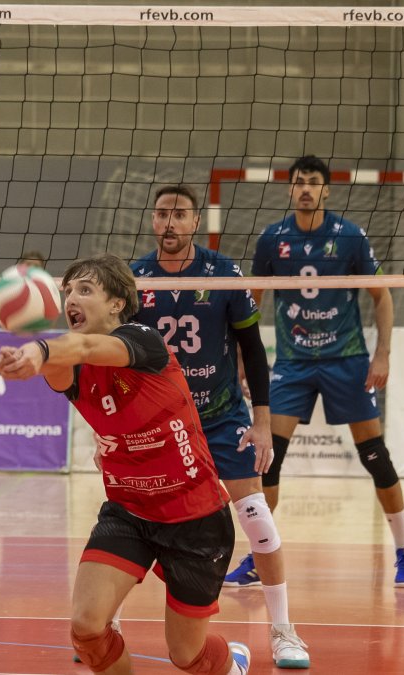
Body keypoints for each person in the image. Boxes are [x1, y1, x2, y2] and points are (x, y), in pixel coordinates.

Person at [0, 253, 250, 675]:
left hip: (195, 516)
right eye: (67, 291)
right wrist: (31, 351)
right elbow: (63, 363)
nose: (71, 298)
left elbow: (87, 346)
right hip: (129, 510)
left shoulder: (143, 340)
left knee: (187, 655)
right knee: (87, 628)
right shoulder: (70, 359)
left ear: (117, 303)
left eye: (85, 289)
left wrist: (40, 349)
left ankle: (233, 662)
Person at [133, 185, 309, 669]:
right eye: (163, 214)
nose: (170, 223)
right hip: (161, 425)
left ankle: (283, 630)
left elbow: (252, 348)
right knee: (134, 522)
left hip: (221, 417)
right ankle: (108, 625)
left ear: (196, 222)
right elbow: (117, 361)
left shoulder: (225, 273)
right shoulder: (133, 280)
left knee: (257, 520)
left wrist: (263, 421)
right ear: (153, 220)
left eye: (181, 215)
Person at [251, 155, 404, 589]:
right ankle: (258, 558)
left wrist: (382, 354)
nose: (306, 188)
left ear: (326, 190)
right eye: (299, 182)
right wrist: (241, 358)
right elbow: (249, 302)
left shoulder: (349, 236)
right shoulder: (273, 239)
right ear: (290, 190)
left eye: (314, 183)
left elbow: (382, 297)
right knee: (268, 459)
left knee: (376, 457)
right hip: (294, 363)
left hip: (347, 359)